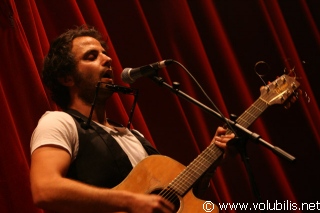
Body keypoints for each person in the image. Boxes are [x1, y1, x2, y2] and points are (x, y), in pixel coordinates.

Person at [30, 25, 235, 213]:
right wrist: (129, 201)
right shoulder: (59, 122)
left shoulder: (133, 135)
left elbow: (177, 198)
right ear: (67, 78)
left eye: (104, 53)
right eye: (91, 56)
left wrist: (212, 160)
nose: (108, 59)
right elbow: (45, 189)